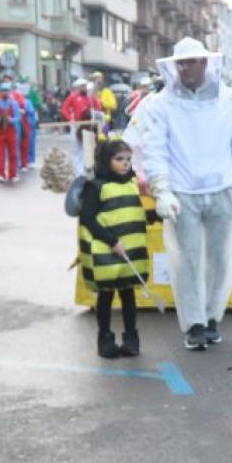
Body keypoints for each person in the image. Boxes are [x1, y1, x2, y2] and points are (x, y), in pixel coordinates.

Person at [128, 38, 232, 352]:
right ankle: (195, 323)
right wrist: (161, 190)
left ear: (204, 63)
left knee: (221, 259)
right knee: (186, 261)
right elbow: (154, 149)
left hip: (220, 190)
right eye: (180, 63)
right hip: (182, 194)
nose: (184, 67)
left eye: (190, 62)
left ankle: (213, 316)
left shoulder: (230, 101)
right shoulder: (160, 104)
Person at [76, 138, 150, 359]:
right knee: (106, 297)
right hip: (108, 251)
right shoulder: (96, 186)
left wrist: (155, 215)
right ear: (106, 160)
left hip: (130, 251)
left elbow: (131, 211)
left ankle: (131, 339)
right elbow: (88, 218)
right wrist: (111, 241)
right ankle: (105, 339)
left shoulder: (132, 183)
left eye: (128, 159)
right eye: (119, 159)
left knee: (128, 295)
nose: (125, 164)